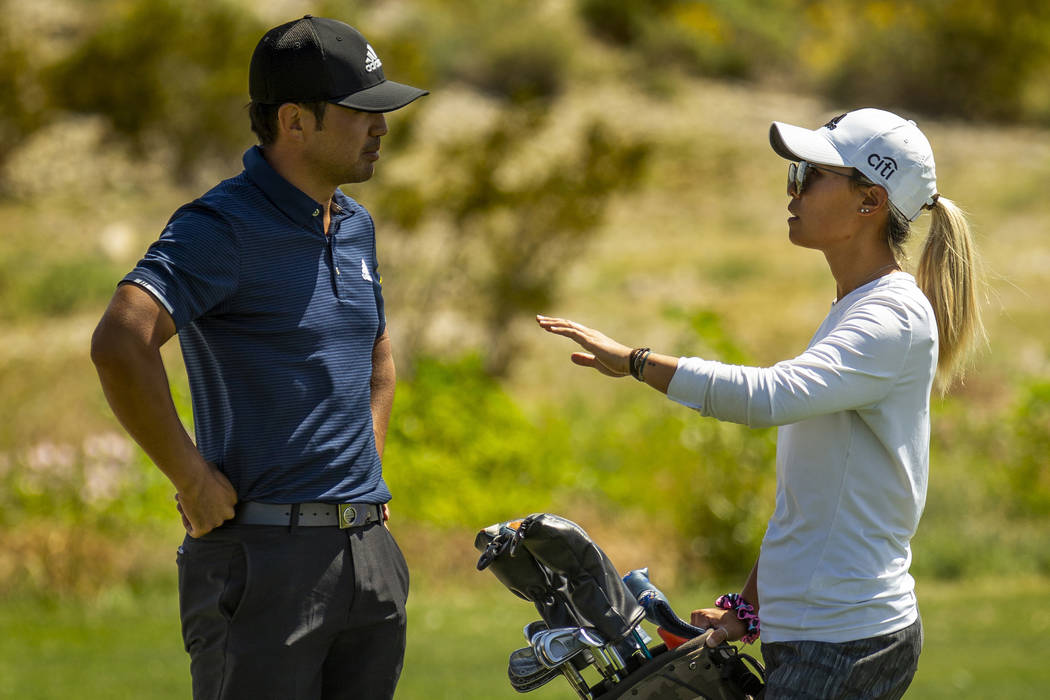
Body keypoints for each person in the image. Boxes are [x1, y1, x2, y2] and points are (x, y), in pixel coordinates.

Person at [537, 108, 984, 699]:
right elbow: (813, 500)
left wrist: (637, 362)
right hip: (815, 633)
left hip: (846, 642)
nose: (791, 190)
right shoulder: (855, 308)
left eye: (809, 174)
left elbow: (769, 396)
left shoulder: (890, 318)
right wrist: (747, 608)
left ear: (870, 201)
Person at [90, 15, 427, 699]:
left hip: (367, 558)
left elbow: (377, 358)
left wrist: (366, 474)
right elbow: (121, 341)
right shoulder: (220, 226)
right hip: (263, 564)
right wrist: (190, 477)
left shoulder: (354, 223)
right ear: (295, 122)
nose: (381, 127)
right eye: (362, 112)